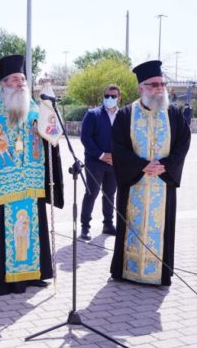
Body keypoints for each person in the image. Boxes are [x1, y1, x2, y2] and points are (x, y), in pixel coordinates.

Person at [0, 55, 64, 296]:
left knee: (31, 230)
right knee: (0, 236)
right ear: (3, 84)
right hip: (1, 189)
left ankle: (32, 275)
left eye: (22, 79)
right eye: (15, 80)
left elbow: (50, 141)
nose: (20, 83)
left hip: (30, 185)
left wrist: (51, 121)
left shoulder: (34, 111)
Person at [110, 60, 191, 286]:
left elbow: (184, 142)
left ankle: (159, 272)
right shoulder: (126, 114)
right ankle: (127, 270)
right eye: (154, 84)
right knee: (131, 225)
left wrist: (167, 165)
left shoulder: (173, 114)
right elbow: (118, 147)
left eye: (162, 84)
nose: (159, 88)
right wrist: (141, 166)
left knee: (160, 227)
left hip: (162, 184)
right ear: (141, 88)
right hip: (134, 184)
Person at [78, 84, 121, 241]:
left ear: (119, 98)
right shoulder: (93, 114)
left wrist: (118, 157)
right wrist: (101, 155)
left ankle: (108, 224)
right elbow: (85, 137)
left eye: (113, 96)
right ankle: (85, 226)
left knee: (110, 194)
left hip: (114, 163)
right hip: (95, 162)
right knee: (92, 193)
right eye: (107, 96)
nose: (109, 98)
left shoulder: (123, 116)